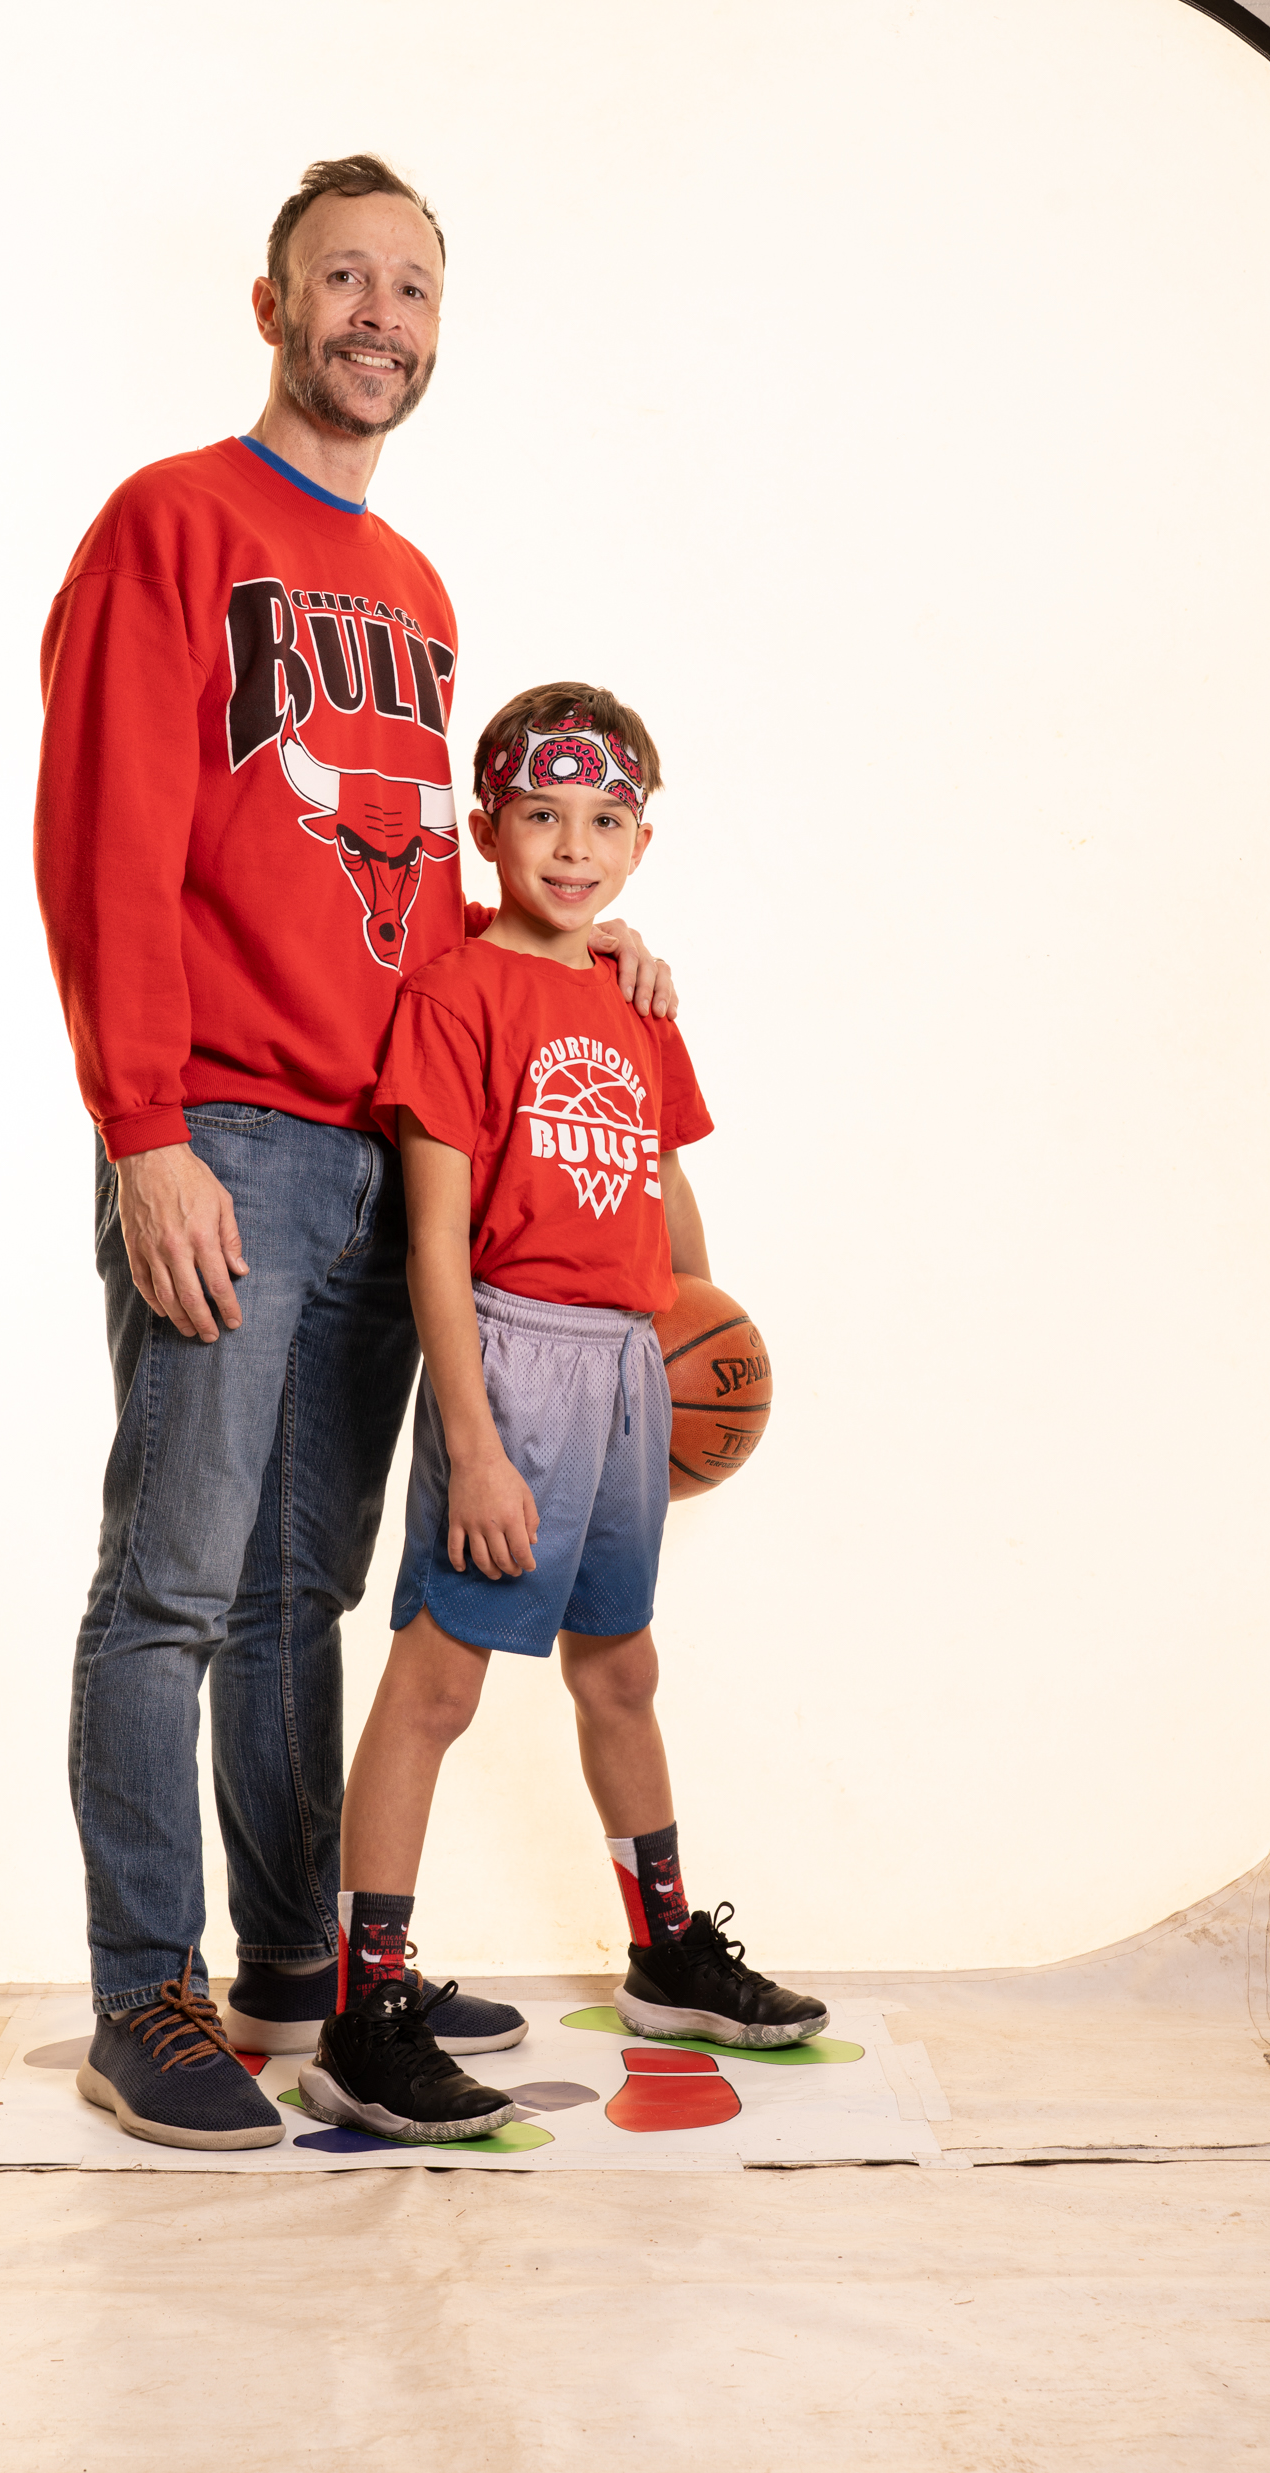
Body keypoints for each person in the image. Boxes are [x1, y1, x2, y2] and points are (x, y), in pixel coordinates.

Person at [33, 156, 676, 2151]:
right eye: (343, 279)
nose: (377, 314)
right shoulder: (169, 523)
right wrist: (145, 1130)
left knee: (294, 1596)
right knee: (172, 1581)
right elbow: (104, 839)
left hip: (386, 1149)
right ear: (272, 306)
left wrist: (563, 943)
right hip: (225, 1130)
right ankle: (141, 1990)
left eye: (410, 286)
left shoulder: (416, 593)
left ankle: (297, 1969)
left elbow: (394, 890)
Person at [297, 685, 827, 2145]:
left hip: (630, 1363)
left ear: (643, 842)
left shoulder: (633, 996)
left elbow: (664, 1183)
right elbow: (432, 1240)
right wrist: (473, 1443)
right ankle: (363, 2009)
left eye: (604, 821)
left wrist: (699, 1338)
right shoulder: (455, 993)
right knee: (439, 1684)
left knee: (621, 1668)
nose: (573, 846)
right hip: (515, 1356)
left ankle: (665, 1953)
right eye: (542, 814)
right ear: (488, 827)